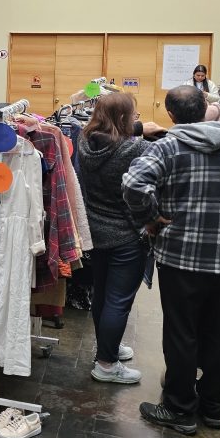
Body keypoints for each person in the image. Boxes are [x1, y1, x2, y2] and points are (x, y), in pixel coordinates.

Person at [123, 86, 220, 435]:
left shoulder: (166, 147)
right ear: (205, 108)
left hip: (179, 258)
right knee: (217, 332)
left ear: (171, 115)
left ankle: (179, 409)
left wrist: (151, 218)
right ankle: (213, 407)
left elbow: (133, 185)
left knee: (181, 333)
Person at [76, 92, 149, 385]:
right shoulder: (135, 149)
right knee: (119, 301)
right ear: (122, 117)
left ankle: (109, 346)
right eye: (133, 114)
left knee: (103, 295)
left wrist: (140, 128)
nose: (136, 118)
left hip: (95, 231)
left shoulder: (84, 141)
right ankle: (107, 364)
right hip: (125, 235)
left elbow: (115, 135)